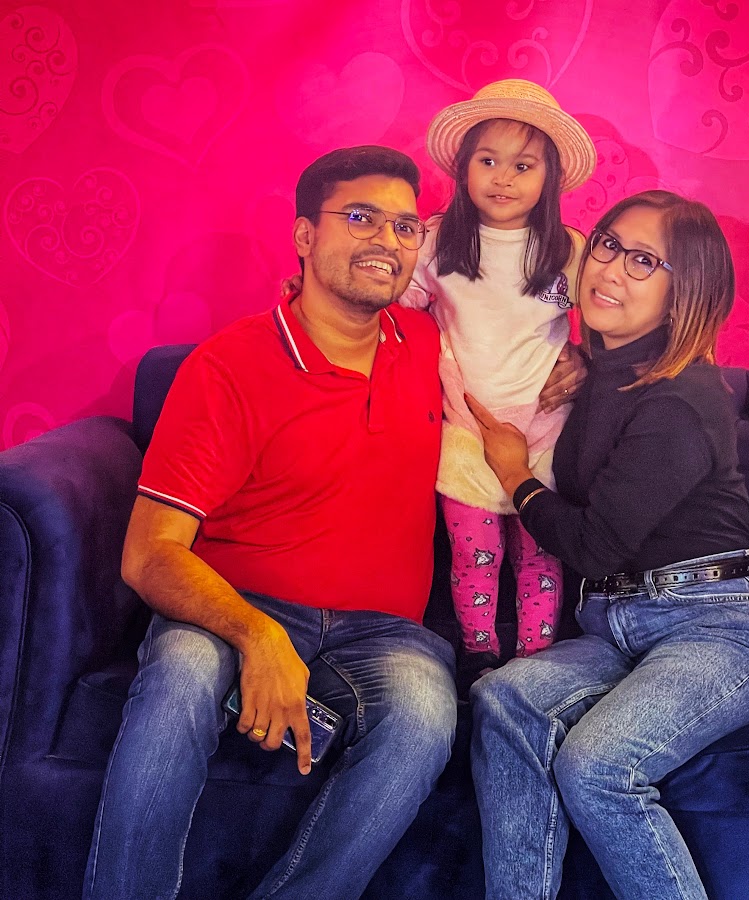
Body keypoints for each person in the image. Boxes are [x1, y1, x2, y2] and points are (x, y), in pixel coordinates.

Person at [83, 146, 460, 900]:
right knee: (181, 675)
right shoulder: (229, 366)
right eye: (361, 218)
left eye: (405, 227)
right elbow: (149, 554)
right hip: (236, 606)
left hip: (381, 633)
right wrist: (260, 636)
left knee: (425, 715)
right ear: (304, 236)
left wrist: (575, 368)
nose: (387, 241)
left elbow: (527, 341)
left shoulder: (427, 345)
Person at [465, 190, 749, 900]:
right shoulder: (599, 373)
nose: (610, 268)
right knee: (503, 699)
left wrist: (516, 476)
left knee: (598, 766)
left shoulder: (681, 396)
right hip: (617, 627)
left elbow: (596, 545)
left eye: (644, 260)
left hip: (721, 628)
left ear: (686, 291)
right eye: (608, 245)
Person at [403, 79, 597, 691]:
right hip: (466, 429)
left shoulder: (567, 249)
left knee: (540, 556)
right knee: (474, 555)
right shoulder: (438, 240)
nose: (503, 178)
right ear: (463, 168)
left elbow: (603, 325)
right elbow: (396, 306)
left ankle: (536, 662)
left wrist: (585, 362)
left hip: (546, 431)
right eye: (487, 161)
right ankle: (478, 654)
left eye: (523, 165)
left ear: (550, 177)